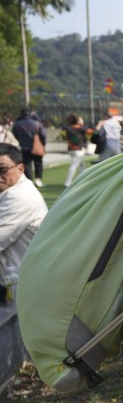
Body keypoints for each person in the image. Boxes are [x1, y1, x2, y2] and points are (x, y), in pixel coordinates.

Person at [0, 144, 48, 301]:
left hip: (19, 287)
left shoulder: (19, 196)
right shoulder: (10, 191)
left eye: (2, 170)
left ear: (20, 168)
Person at [10, 108, 46, 187]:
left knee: (27, 164)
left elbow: (14, 136)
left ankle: (29, 181)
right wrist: (42, 145)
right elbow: (43, 136)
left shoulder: (17, 124)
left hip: (23, 147)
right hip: (36, 147)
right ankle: (38, 180)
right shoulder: (37, 123)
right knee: (38, 163)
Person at [62, 114, 88, 187]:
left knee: (82, 165)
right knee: (74, 165)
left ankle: (83, 180)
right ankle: (68, 181)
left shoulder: (69, 128)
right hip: (78, 149)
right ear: (77, 121)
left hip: (72, 149)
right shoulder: (79, 128)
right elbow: (91, 131)